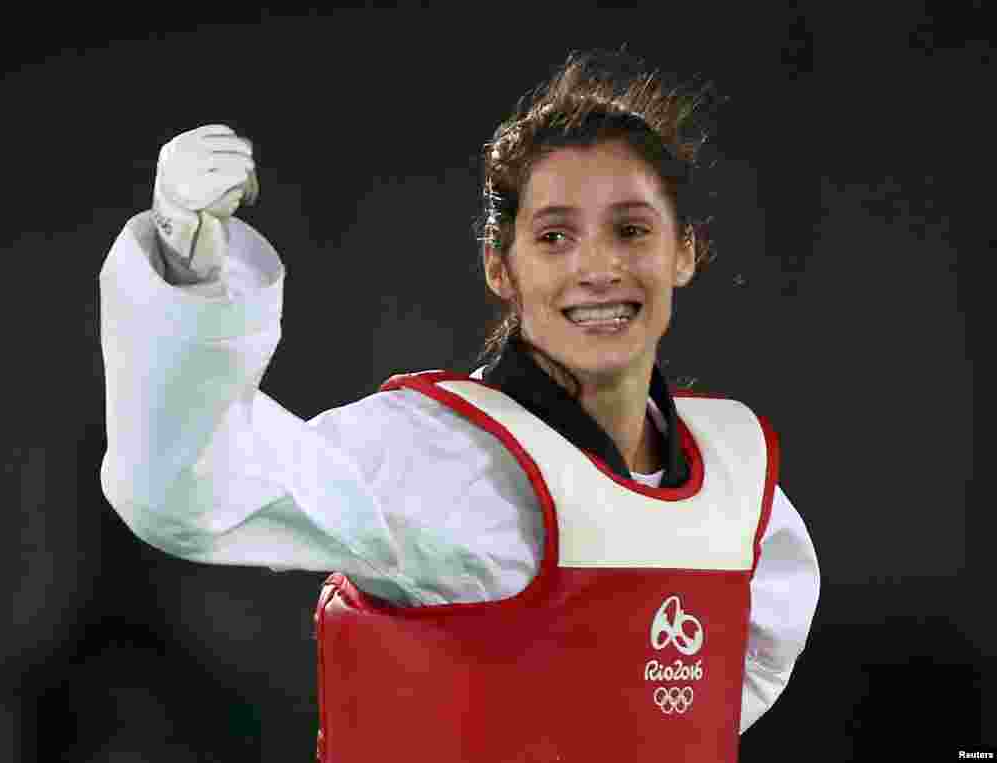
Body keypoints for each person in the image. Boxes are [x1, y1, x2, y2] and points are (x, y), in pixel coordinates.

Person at [99, 46, 820, 762]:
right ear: (500, 265)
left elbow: (717, 701)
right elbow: (185, 491)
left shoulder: (737, 488)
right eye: (555, 237)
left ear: (684, 252)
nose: (598, 269)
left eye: (632, 230)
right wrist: (185, 274)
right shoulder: (433, 453)